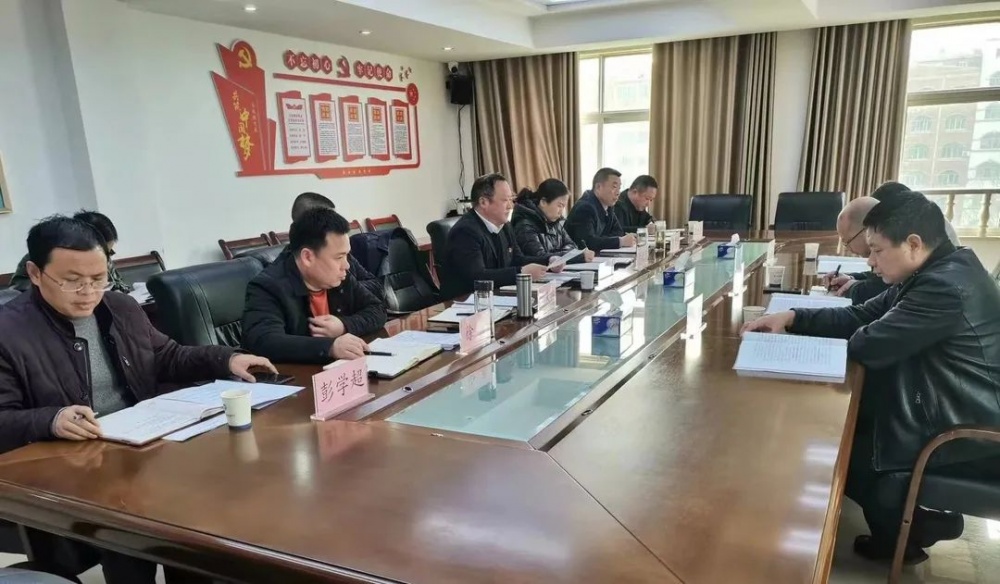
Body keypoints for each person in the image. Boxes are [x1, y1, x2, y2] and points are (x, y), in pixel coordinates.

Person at [0, 215, 276, 583]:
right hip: (73, 466)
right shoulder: (8, 331)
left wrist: (226, 358)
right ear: (35, 273)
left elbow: (166, 356)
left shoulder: (120, 307)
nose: (88, 292)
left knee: (204, 508)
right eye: (72, 280)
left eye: (98, 278)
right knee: (129, 528)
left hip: (142, 446)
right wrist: (51, 419)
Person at [744, 194, 1000, 564]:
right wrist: (793, 317)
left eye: (877, 251)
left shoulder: (943, 288)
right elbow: (862, 315)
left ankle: (903, 541)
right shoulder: (938, 268)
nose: (870, 261)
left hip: (969, 429)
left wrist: (836, 331)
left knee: (842, 451)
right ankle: (918, 524)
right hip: (951, 401)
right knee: (843, 430)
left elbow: (868, 344)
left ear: (913, 244)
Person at [242, 207, 387, 364]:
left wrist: (344, 325)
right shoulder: (267, 287)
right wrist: (329, 346)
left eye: (347, 255)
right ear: (307, 257)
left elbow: (378, 309)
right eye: (339, 257)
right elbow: (265, 341)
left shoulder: (338, 277)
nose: (346, 265)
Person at [824, 184, 961, 302]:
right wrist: (852, 278)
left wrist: (854, 287)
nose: (870, 262)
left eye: (847, 242)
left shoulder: (935, 287)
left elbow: (881, 290)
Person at [440, 173, 553, 299]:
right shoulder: (465, 231)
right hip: (465, 302)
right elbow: (478, 277)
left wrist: (549, 261)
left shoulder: (505, 226)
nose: (510, 206)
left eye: (511, 200)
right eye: (505, 200)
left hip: (496, 297)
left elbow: (517, 259)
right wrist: (520, 272)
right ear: (483, 202)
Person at [9, 211, 130, 293]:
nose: (105, 257)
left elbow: (119, 285)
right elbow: (18, 291)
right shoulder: (43, 255)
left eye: (107, 252)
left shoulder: (102, 257)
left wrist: (117, 293)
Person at [289, 192, 381, 298]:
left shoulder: (340, 252)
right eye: (327, 219)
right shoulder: (286, 276)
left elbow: (377, 285)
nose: (334, 222)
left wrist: (348, 287)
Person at [512, 179, 595, 263]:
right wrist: (576, 256)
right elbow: (539, 258)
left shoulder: (555, 223)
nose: (561, 211)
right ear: (543, 202)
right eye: (559, 205)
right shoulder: (525, 225)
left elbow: (572, 246)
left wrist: (557, 254)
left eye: (563, 207)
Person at [565, 168, 637, 252]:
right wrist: (620, 241)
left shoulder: (608, 207)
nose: (618, 193)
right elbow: (587, 243)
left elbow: (618, 232)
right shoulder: (585, 208)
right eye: (614, 187)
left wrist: (600, 240)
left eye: (619, 188)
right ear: (598, 187)